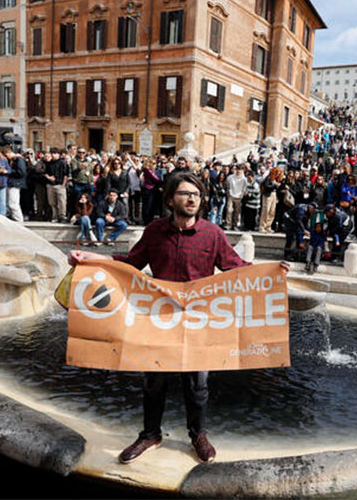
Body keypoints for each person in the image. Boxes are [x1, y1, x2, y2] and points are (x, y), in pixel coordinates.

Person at [68, 172, 291, 464]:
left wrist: (272, 271)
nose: (191, 199)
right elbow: (130, 263)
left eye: (196, 195)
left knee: (197, 384)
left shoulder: (213, 234)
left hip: (199, 320)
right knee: (153, 381)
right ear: (170, 199)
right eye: (185, 193)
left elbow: (235, 267)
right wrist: (91, 260)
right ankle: (150, 434)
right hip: (159, 319)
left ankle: (197, 434)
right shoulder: (155, 231)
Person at [45, 148, 69, 222]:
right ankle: (54, 216)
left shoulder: (62, 162)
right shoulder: (49, 163)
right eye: (52, 153)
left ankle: (62, 216)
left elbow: (66, 174)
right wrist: (49, 177)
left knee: (62, 202)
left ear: (58, 154)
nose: (53, 155)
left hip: (60, 184)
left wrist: (63, 184)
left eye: (55, 153)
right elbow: (45, 173)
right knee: (52, 202)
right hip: (50, 185)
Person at [3, 146, 27, 222]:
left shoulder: (19, 160)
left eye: (6, 155)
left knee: (13, 203)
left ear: (8, 153)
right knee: (11, 203)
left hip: (16, 183)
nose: (7, 157)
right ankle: (16, 218)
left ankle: (19, 219)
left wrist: (8, 171)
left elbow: (21, 172)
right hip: (12, 183)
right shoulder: (15, 160)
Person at [225, 165, 247, 230]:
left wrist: (241, 195)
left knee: (237, 212)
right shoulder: (230, 177)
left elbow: (244, 188)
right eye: (237, 169)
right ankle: (228, 224)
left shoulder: (244, 179)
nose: (238, 171)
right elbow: (228, 186)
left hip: (239, 196)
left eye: (240, 170)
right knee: (229, 210)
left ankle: (235, 225)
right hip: (231, 196)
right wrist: (229, 193)